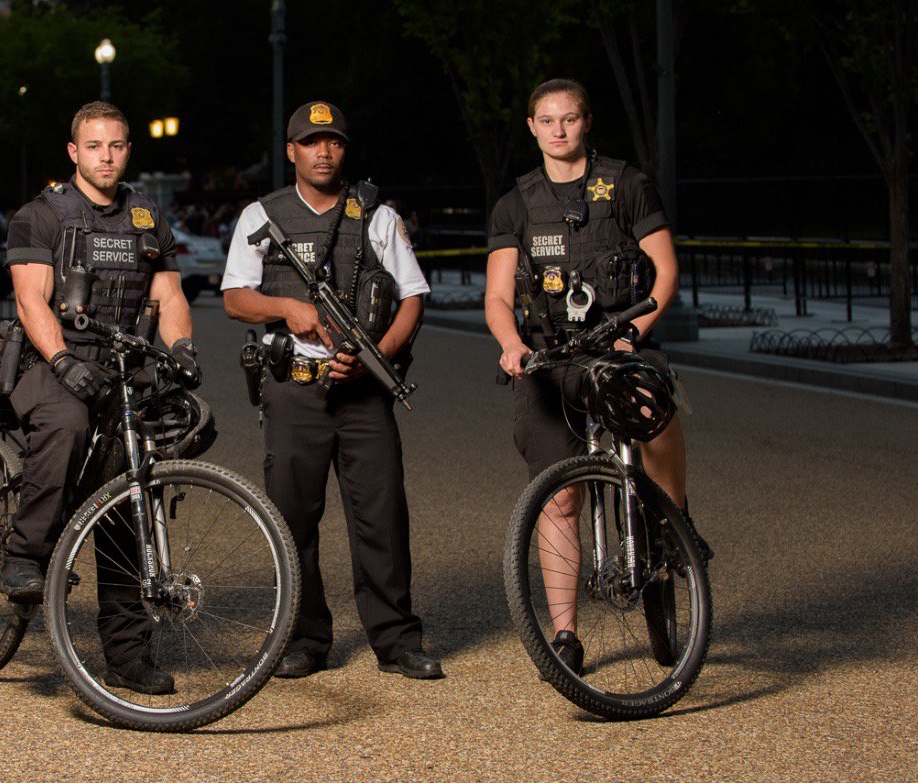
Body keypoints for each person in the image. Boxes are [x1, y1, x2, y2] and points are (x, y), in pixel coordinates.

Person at [484, 78, 711, 674]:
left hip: (620, 344)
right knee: (559, 499)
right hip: (550, 361)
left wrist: (634, 331)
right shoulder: (515, 204)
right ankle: (565, 637)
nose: (559, 130)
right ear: (532, 127)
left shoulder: (627, 184)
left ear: (587, 122)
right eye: (547, 121)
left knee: (655, 402)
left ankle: (671, 521)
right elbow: (497, 296)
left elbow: (665, 274)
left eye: (570, 119)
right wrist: (511, 345)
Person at [222, 101, 441, 681]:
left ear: (345, 149)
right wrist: (287, 307)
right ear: (291, 151)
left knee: (382, 517)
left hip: (363, 393)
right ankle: (304, 639)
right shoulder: (259, 215)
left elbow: (412, 296)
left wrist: (377, 361)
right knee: (293, 518)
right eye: (311, 142)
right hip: (293, 390)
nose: (324, 151)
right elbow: (235, 296)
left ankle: (395, 639)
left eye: (334, 142)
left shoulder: (375, 214)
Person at [0, 101, 199, 695]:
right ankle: (26, 552)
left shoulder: (145, 218)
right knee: (66, 422)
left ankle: (128, 654)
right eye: (93, 146)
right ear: (74, 151)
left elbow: (168, 295)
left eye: (116, 146)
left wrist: (182, 349)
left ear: (128, 150)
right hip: (49, 361)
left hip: (122, 366)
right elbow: (31, 300)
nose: (105, 156)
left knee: (132, 493)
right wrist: (61, 359)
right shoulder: (41, 215)